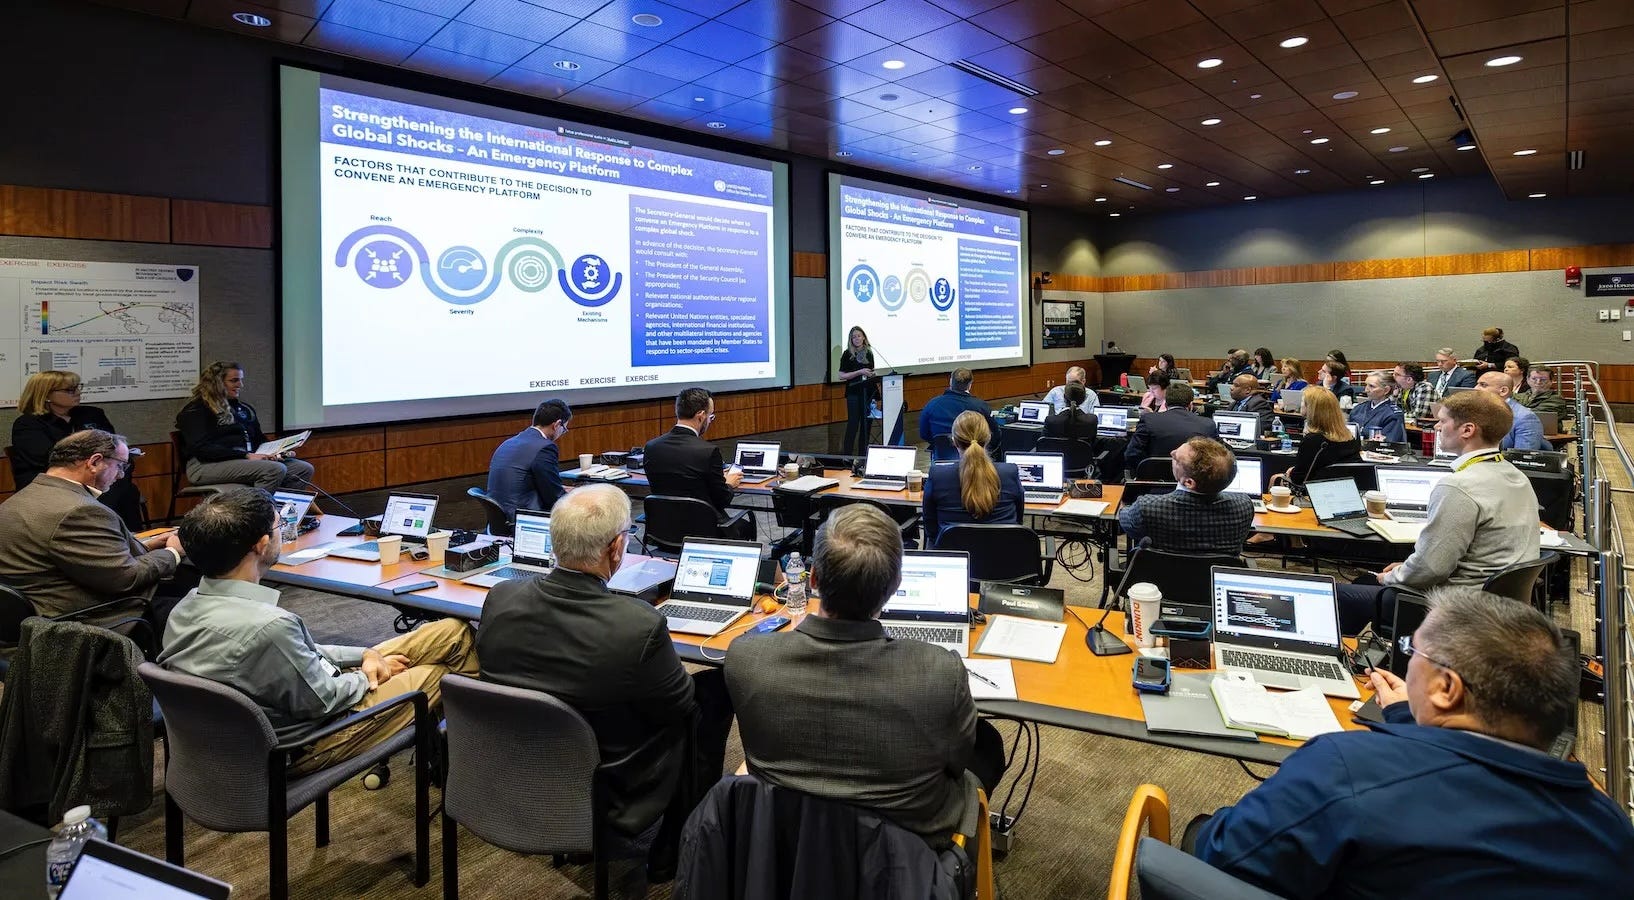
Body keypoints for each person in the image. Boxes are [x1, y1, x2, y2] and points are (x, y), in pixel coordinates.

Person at [1190, 588, 1634, 899]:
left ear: (1447, 688)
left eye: (1413, 650)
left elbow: (1224, 855)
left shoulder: (1346, 768)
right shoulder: (1610, 830)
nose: (1406, 661)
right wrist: (1408, 715)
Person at [476, 485, 732, 882]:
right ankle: (674, 849)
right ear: (616, 549)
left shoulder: (501, 597)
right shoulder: (637, 624)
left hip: (516, 765)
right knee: (713, 693)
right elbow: (681, 706)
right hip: (610, 780)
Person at [725, 504, 1007, 845]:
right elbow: (956, 764)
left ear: (812, 579)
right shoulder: (940, 670)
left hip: (786, 838)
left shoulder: (745, 657)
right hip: (905, 849)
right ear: (895, 586)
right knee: (987, 743)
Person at [159, 487, 478, 776]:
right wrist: (366, 676)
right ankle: (475, 766)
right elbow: (322, 700)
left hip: (278, 720)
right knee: (440, 673)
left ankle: (455, 756)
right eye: (278, 526)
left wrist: (365, 654)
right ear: (262, 544)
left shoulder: (185, 608)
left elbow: (297, 652)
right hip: (312, 739)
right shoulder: (269, 628)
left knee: (451, 632)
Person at [1335, 391, 1539, 634]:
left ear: (1467, 430)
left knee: (1338, 593)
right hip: (1498, 603)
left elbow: (1432, 569)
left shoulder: (1459, 486)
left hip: (1454, 606)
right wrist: (1407, 569)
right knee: (1367, 583)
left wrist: (1391, 577)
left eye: (1443, 421)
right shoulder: (1517, 476)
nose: (1437, 426)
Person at [0, 430, 182, 622]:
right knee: (200, 610)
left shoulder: (20, 499)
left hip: (34, 614)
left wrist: (147, 544)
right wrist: (173, 551)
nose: (121, 476)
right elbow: (126, 579)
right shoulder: (79, 511)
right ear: (94, 462)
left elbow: (81, 555)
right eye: (120, 466)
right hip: (89, 619)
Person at [9, 369, 144, 530]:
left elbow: (112, 446)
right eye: (69, 390)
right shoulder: (28, 424)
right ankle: (105, 539)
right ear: (46, 394)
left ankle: (134, 540)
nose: (77, 393)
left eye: (78, 387)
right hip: (53, 483)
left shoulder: (92, 415)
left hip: (97, 477)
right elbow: (49, 459)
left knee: (125, 489)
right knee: (106, 493)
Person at [175, 361, 315, 491]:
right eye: (234, 380)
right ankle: (256, 513)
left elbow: (258, 439)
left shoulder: (243, 409)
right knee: (274, 470)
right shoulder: (196, 410)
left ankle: (282, 512)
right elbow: (202, 449)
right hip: (205, 465)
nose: (240, 385)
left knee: (302, 468)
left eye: (241, 380)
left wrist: (275, 452)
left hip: (242, 460)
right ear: (216, 383)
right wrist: (246, 455)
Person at [644, 387, 754, 539]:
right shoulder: (707, 451)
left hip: (662, 531)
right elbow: (722, 500)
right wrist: (728, 483)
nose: (710, 421)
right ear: (701, 416)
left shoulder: (651, 447)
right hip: (704, 533)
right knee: (745, 527)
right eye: (711, 417)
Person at [1117, 437, 1253, 555]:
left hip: (1160, 579)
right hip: (1216, 579)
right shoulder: (1244, 506)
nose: (1172, 453)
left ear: (1189, 482)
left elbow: (1126, 522)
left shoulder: (1147, 507)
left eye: (1176, 459)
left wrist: (1121, 502)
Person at [922, 411, 1023, 544]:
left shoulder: (937, 475)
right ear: (988, 439)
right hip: (1002, 559)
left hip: (953, 558)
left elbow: (930, 529)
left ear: (954, 441)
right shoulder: (1010, 472)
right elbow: (1019, 521)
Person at [485, 398, 571, 519]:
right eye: (564, 429)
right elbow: (554, 497)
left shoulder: (508, 443)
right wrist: (579, 495)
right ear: (556, 425)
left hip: (498, 520)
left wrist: (560, 488)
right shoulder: (545, 447)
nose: (562, 433)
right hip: (525, 519)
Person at [1125, 383, 1218, 468]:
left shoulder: (1148, 420)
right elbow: (1216, 458)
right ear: (1191, 405)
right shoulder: (1208, 425)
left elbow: (1132, 454)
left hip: (1153, 479)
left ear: (1165, 404)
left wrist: (1146, 471)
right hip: (1193, 480)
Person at [1286, 386, 1361, 486]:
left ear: (1311, 408)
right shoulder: (1350, 437)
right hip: (1344, 487)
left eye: (1303, 402)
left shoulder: (1313, 441)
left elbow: (1299, 479)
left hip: (1314, 490)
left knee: (1275, 478)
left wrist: (1293, 472)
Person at [1476, 371, 1546, 451]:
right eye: (1477, 384)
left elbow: (1522, 459)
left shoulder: (1525, 418)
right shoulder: (1476, 412)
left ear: (1503, 391)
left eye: (1483, 385)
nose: (1476, 388)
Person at [918, 367, 992, 443]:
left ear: (950, 382)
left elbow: (924, 434)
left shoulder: (932, 404)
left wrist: (940, 445)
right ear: (970, 384)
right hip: (970, 453)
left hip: (940, 453)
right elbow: (992, 435)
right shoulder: (980, 406)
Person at [837, 326, 878, 459]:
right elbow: (841, 375)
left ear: (864, 337)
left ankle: (863, 457)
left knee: (866, 427)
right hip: (854, 393)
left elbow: (870, 371)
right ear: (851, 339)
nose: (857, 339)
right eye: (854, 337)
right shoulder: (847, 354)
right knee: (853, 425)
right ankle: (847, 457)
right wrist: (859, 372)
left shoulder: (869, 353)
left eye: (859, 336)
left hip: (868, 393)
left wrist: (872, 374)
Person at [1349, 372, 1407, 443]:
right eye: (1366, 385)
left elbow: (1389, 442)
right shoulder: (1358, 409)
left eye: (1371, 386)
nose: (1366, 390)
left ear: (1386, 390)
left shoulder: (1393, 414)